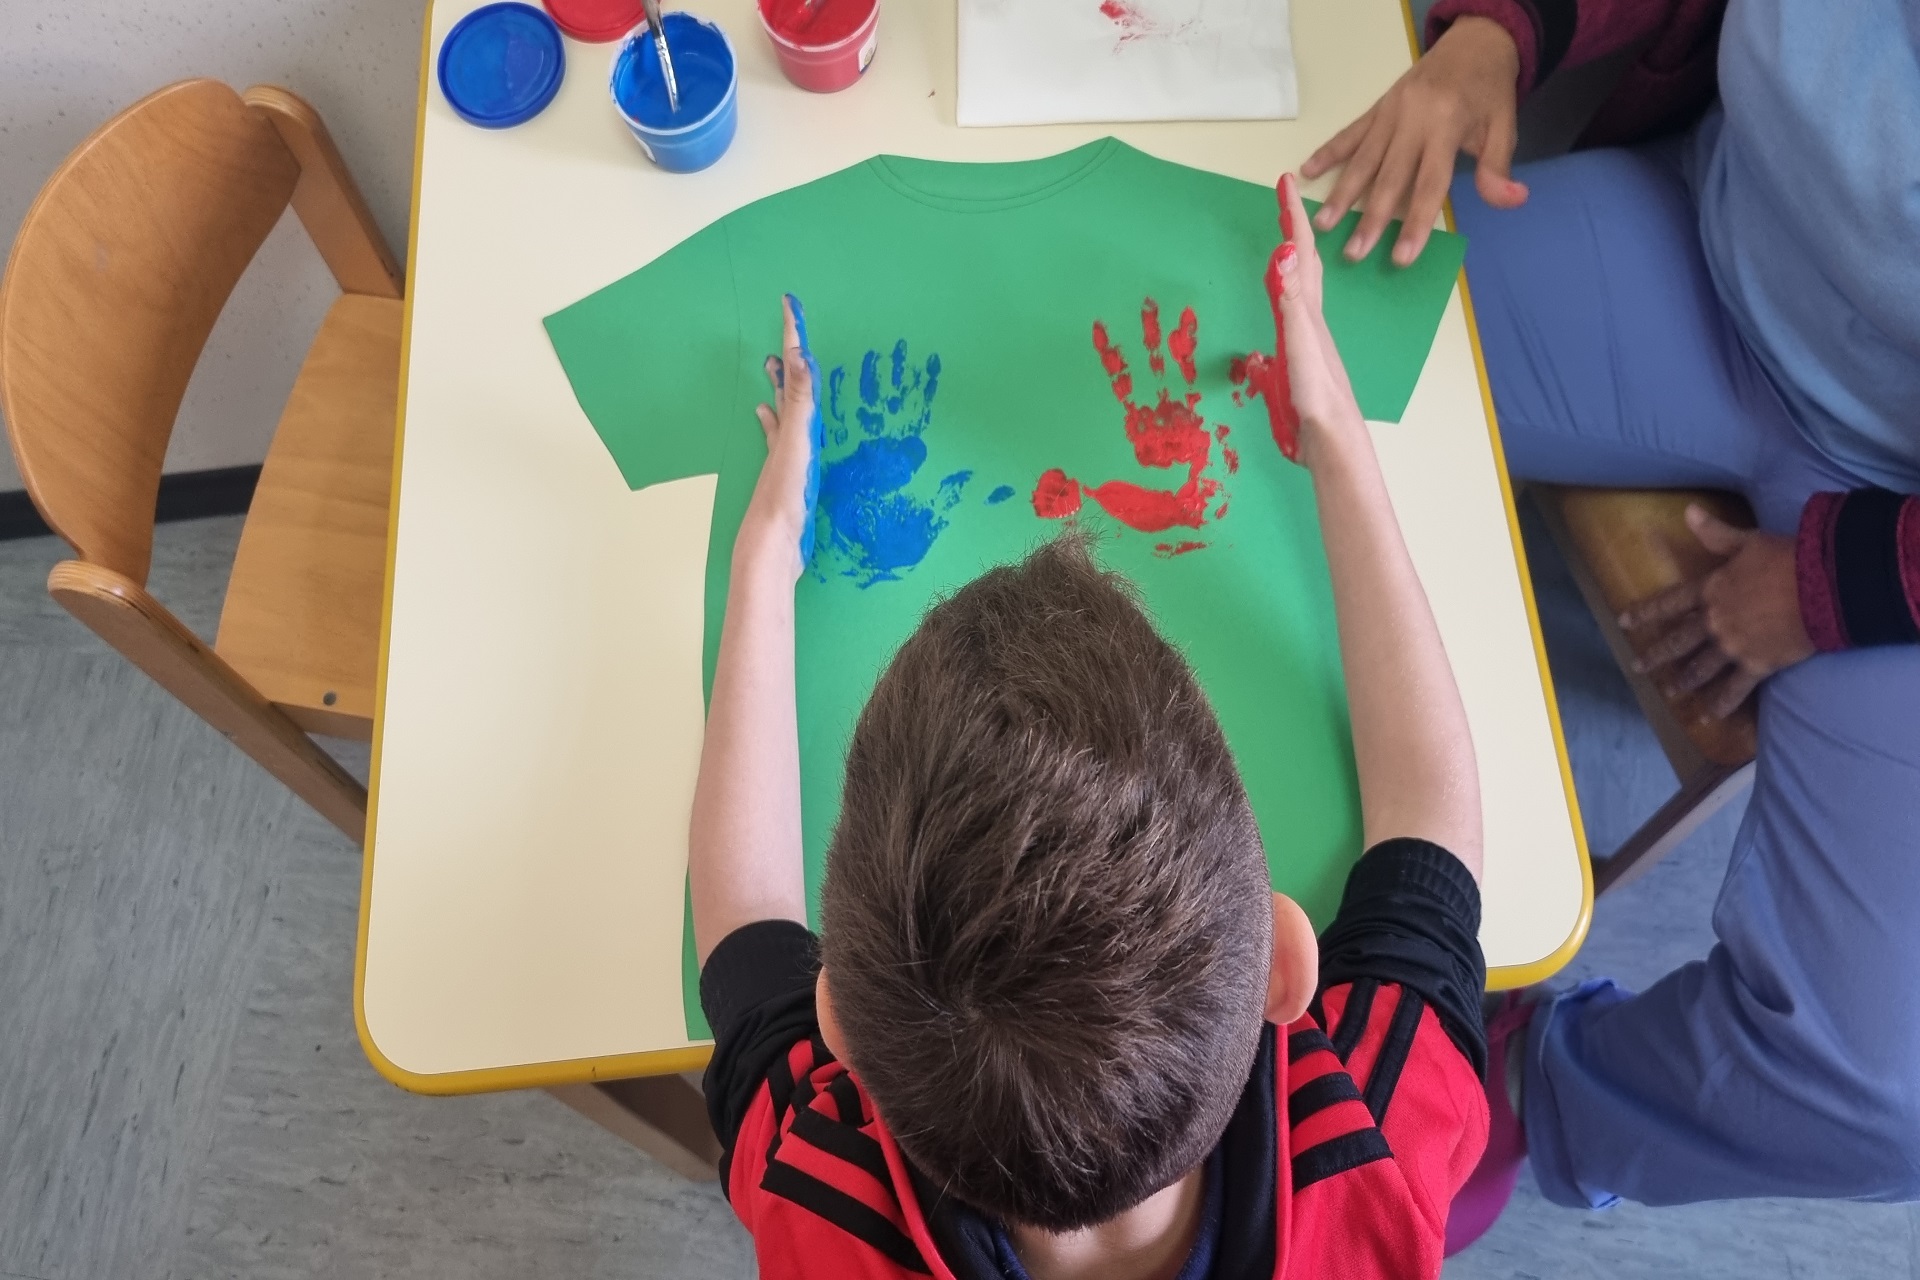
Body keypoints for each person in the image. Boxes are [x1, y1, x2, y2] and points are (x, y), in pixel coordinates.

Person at [687, 177, 1491, 1280]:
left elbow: (743, 930)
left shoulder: (822, 1204)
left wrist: (767, 556)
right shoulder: (1374, 1153)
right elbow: (1431, 831)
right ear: (1282, 965)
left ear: (842, 1023)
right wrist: (1336, 440)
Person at [1302, 0, 1920, 1248]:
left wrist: (1834, 583)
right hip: (1709, 248)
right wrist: (1498, 36)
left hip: (1891, 516)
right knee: (1283, 292)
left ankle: (1533, 1088)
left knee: (1880, 1090)